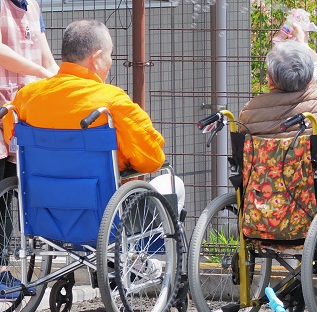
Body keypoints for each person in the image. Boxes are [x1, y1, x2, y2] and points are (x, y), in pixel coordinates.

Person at [1, 19, 184, 207]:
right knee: (173, 184)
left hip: (44, 207)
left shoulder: (26, 97)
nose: (110, 62)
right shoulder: (112, 102)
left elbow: (11, 137)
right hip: (105, 210)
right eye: (109, 55)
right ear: (96, 58)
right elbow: (152, 160)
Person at [240, 39, 317, 193]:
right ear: (309, 75)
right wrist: (303, 43)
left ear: (270, 81)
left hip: (269, 194)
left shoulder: (249, 113)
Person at [0, 0, 58, 173]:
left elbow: (48, 61)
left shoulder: (32, 6)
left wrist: (71, 83)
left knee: (18, 187)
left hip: (25, 113)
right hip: (3, 109)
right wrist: (40, 72)